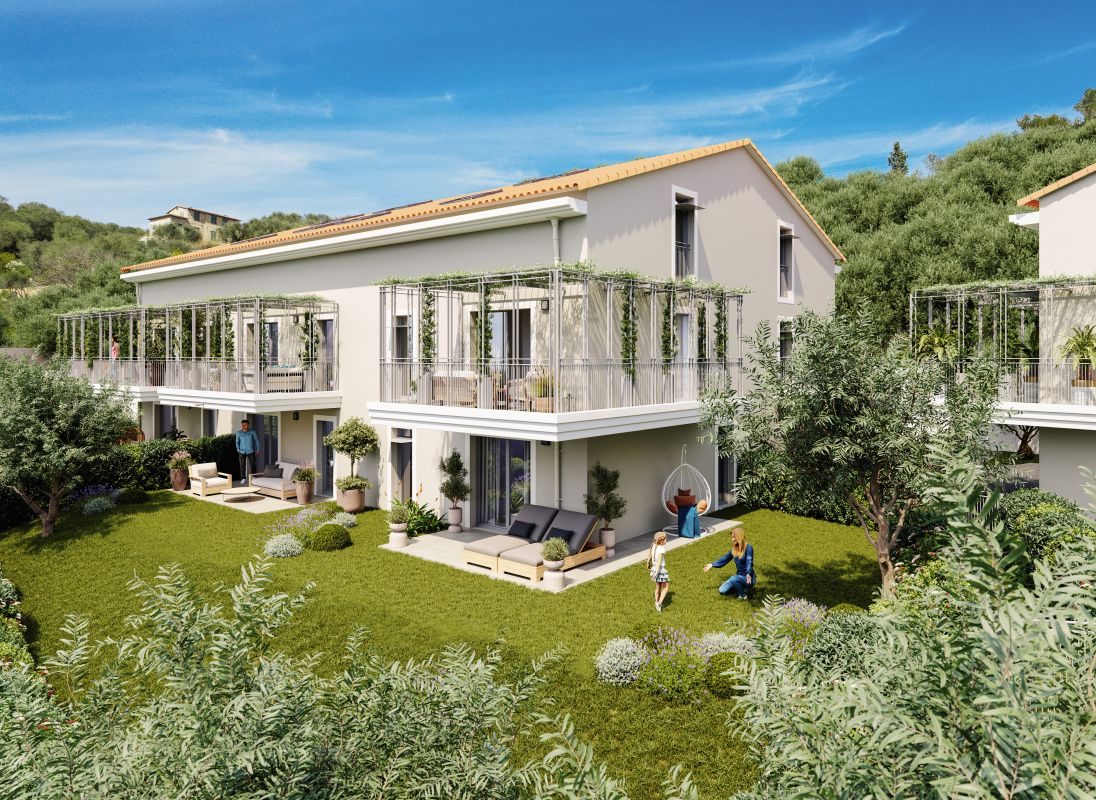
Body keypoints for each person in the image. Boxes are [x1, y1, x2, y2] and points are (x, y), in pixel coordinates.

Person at [703, 526, 755, 600]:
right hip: (739, 576)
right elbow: (725, 559)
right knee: (722, 590)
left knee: (733, 579)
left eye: (734, 537)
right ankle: (740, 587)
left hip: (749, 578)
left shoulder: (748, 547)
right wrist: (712, 564)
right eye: (732, 537)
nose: (732, 539)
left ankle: (742, 595)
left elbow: (749, 560)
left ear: (739, 537)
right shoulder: (734, 549)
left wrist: (748, 573)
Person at [647, 531, 670, 612]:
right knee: (666, 587)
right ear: (661, 540)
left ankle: (656, 601)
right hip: (660, 570)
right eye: (666, 538)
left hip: (654, 568)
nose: (666, 540)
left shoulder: (654, 545)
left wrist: (648, 563)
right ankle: (659, 603)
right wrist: (657, 571)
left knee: (658, 587)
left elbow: (650, 555)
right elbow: (659, 560)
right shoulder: (661, 548)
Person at [235, 419, 261, 483]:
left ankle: (254, 477)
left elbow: (256, 440)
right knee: (242, 465)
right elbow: (237, 442)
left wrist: (257, 449)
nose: (243, 426)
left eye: (245, 425)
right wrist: (238, 449)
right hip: (242, 451)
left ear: (248, 425)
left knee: (253, 464)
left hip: (250, 451)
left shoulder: (252, 432)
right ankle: (243, 478)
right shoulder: (238, 433)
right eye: (242, 425)